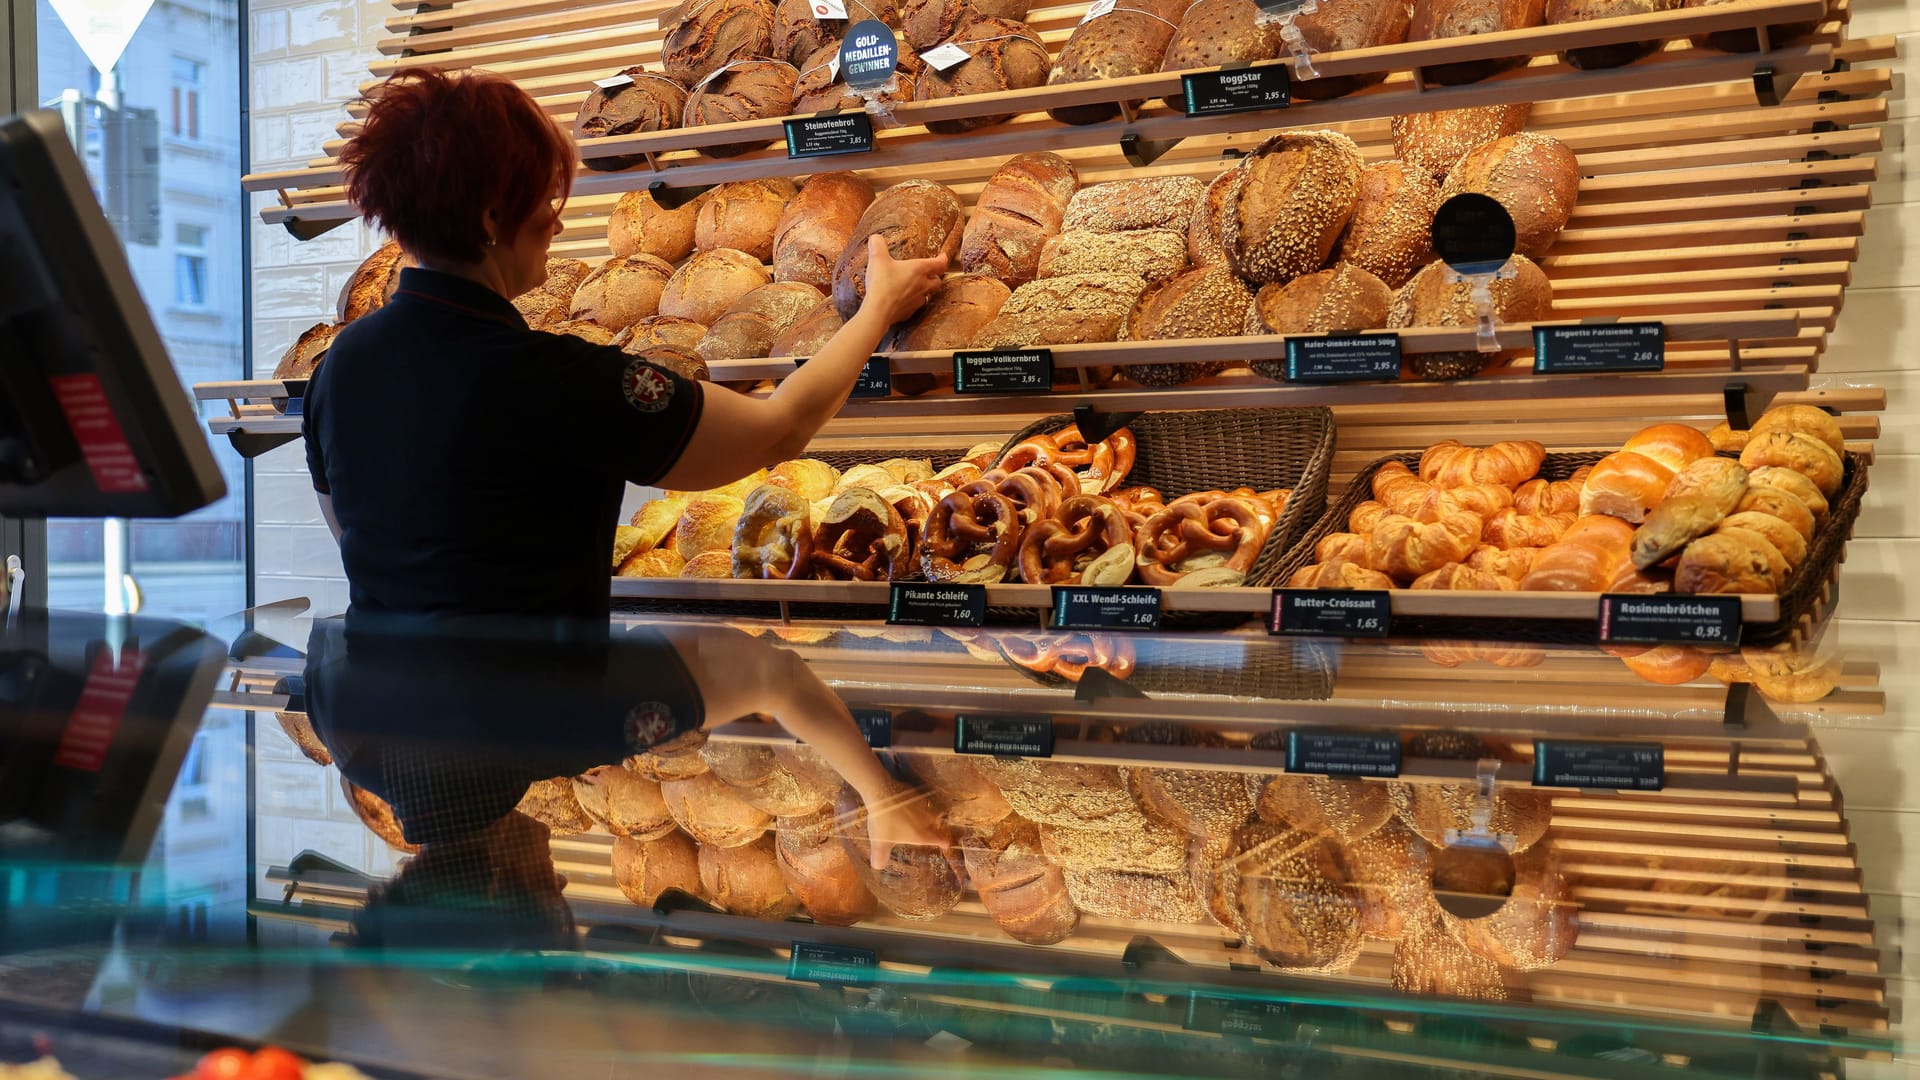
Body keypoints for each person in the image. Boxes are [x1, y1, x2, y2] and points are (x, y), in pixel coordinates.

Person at [303, 68, 946, 623]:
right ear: (493, 219)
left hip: (377, 723)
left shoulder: (336, 371)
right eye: (544, 199)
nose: (556, 221)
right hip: (525, 735)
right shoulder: (561, 381)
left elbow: (359, 548)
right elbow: (778, 429)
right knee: (757, 674)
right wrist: (876, 311)